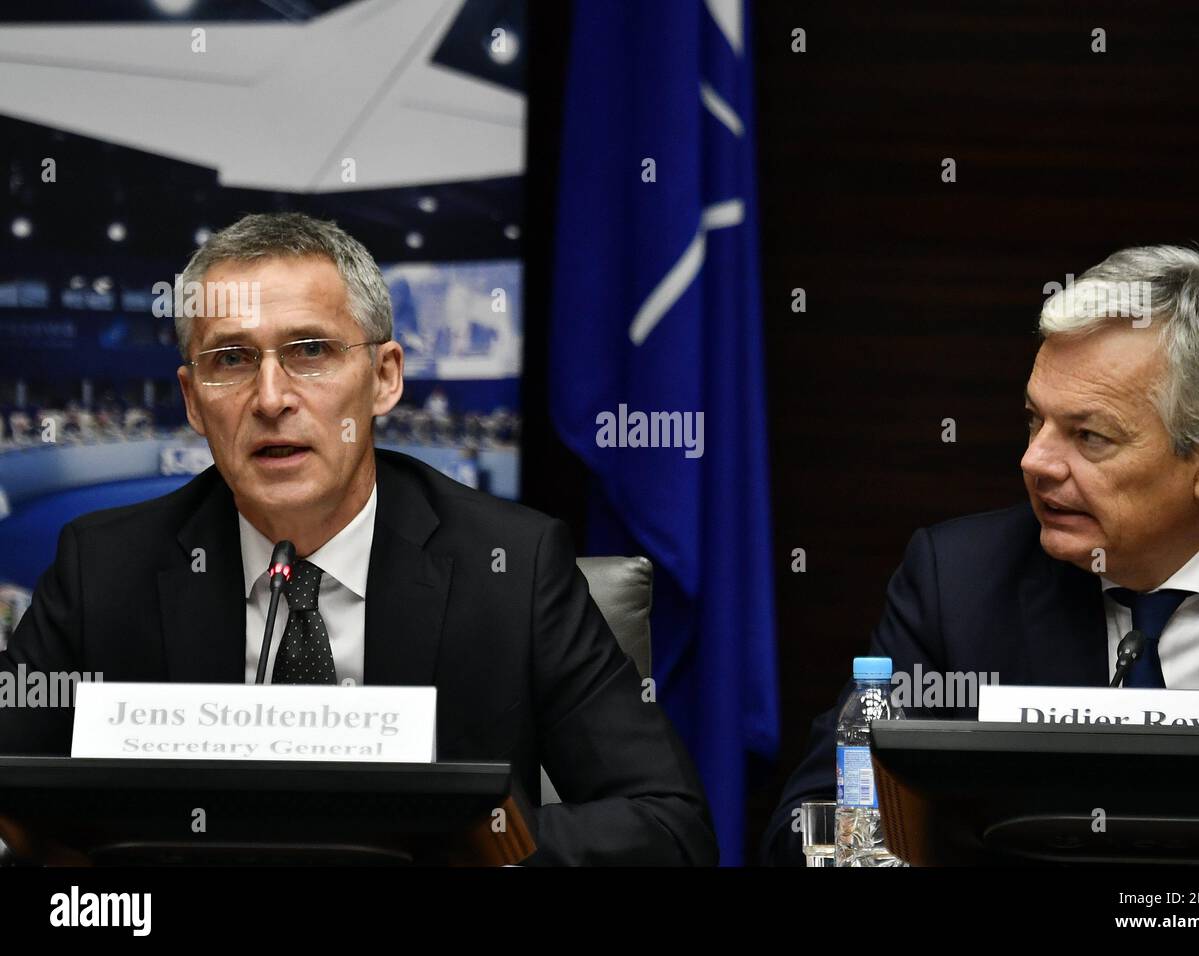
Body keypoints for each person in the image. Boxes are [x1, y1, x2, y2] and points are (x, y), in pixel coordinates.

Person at [1, 212, 717, 866]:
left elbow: (669, 828)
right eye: (231, 360)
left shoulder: (514, 569)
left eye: (309, 351)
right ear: (192, 400)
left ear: (383, 378)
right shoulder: (104, 570)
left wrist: (462, 844)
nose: (272, 397)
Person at [763, 245, 1199, 865]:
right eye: (1033, 421)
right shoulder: (957, 583)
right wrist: (853, 851)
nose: (1035, 463)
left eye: (1089, 436)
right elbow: (813, 817)